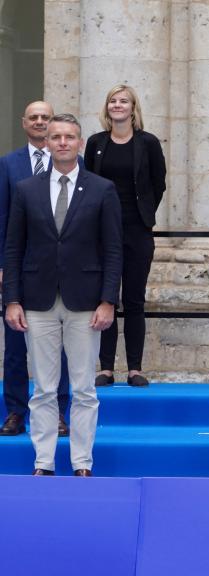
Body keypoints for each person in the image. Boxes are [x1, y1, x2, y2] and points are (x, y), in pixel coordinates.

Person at [4, 113, 122, 477]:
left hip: (86, 302)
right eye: (56, 137)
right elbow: (13, 247)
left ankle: (82, 463)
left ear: (80, 143)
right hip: (37, 300)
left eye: (69, 137)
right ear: (47, 142)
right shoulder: (27, 189)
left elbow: (113, 249)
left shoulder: (102, 189)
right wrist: (11, 300)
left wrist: (107, 301)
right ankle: (44, 462)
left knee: (84, 388)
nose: (62, 143)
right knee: (43, 388)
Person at [87, 85, 167, 388]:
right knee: (105, 297)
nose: (117, 105)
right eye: (112, 101)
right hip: (101, 231)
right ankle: (106, 367)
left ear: (133, 108)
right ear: (107, 107)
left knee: (134, 298)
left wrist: (143, 212)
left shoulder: (147, 143)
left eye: (123, 101)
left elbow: (158, 184)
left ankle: (134, 367)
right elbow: (89, 183)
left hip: (136, 230)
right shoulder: (96, 143)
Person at [0, 101, 71, 437]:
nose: (40, 122)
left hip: (60, 272)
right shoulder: (7, 165)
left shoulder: (73, 163)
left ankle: (59, 412)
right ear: (24, 123)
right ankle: (15, 411)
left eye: (46, 117)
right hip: (19, 269)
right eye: (35, 117)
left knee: (61, 347)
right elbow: (2, 218)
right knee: (16, 346)